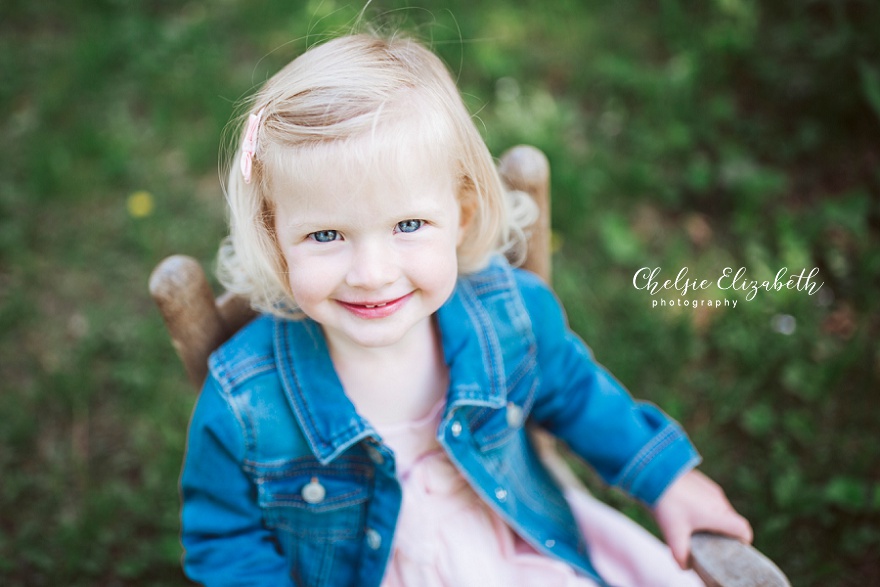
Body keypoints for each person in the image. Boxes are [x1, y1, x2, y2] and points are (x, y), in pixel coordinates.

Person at [179, 32, 752, 587]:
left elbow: (576, 395)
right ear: (274, 236)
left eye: (408, 226)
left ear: (464, 215)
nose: (372, 273)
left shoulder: (508, 319)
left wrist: (665, 480)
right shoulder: (244, 400)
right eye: (327, 235)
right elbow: (225, 539)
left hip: (514, 536)